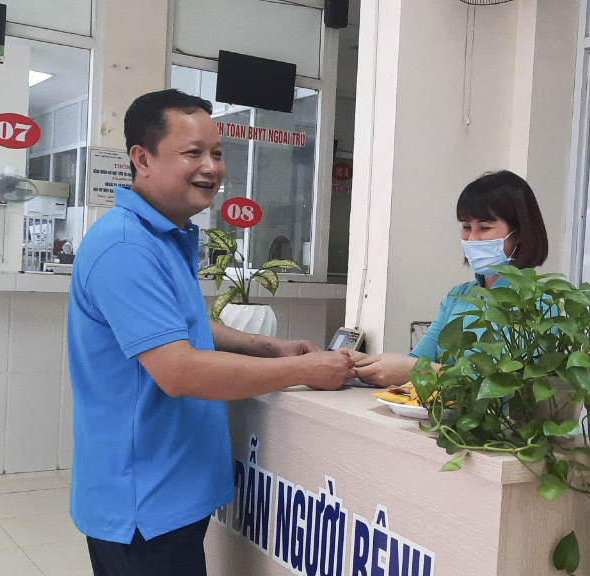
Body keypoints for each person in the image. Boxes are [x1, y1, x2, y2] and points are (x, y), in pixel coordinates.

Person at [66, 89, 356, 576]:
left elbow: (182, 327)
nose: (211, 168)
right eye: (193, 153)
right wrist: (303, 370)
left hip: (170, 489)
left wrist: (268, 347)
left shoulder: (164, 236)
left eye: (217, 153)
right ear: (142, 159)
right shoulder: (126, 246)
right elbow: (179, 371)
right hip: (143, 503)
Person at [353, 170, 549, 387]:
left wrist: (415, 371)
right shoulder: (458, 296)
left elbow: (503, 384)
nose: (471, 238)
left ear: (519, 233)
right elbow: (417, 360)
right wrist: (364, 365)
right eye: (466, 227)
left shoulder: (541, 305)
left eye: (484, 228)